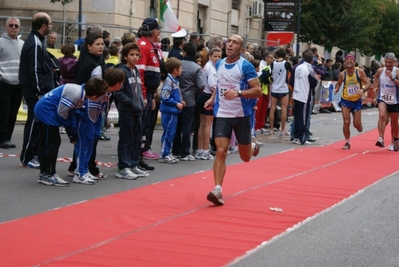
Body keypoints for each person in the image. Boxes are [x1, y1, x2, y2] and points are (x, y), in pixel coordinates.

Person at [204, 34, 262, 206]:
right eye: (228, 41)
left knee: (245, 157)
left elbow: (258, 91)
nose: (230, 44)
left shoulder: (246, 66)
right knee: (221, 150)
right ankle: (218, 189)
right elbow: (221, 85)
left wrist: (239, 93)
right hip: (222, 114)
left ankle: (251, 146)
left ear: (241, 50)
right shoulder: (219, 63)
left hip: (241, 115)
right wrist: (212, 98)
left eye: (235, 43)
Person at [34, 78, 110, 186]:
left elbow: (71, 114)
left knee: (48, 142)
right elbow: (62, 114)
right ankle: (48, 174)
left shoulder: (81, 93)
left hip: (48, 110)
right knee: (51, 142)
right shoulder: (76, 94)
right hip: (46, 112)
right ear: (94, 96)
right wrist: (70, 131)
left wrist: (72, 132)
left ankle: (46, 173)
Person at [72, 67, 124, 184]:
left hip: (92, 121)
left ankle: (85, 170)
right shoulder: (101, 93)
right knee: (83, 147)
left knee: (90, 146)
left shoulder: (107, 92)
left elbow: (99, 112)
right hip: (84, 121)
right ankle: (79, 173)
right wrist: (92, 129)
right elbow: (91, 112)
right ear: (117, 84)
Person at [19, 12, 54, 168]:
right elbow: (34, 69)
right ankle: (27, 156)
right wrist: (39, 90)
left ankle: (33, 153)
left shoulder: (38, 40)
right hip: (34, 91)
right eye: (50, 24)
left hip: (39, 89)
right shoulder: (34, 42)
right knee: (33, 121)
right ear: (44, 26)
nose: (51, 27)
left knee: (38, 122)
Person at [113, 43, 149, 179]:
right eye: (132, 55)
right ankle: (123, 166)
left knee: (136, 139)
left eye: (137, 55)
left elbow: (138, 89)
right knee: (126, 139)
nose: (135, 57)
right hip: (127, 110)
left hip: (138, 110)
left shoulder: (136, 71)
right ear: (125, 56)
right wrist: (131, 103)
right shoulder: (122, 71)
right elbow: (118, 92)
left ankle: (133, 164)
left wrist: (142, 100)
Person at [172, 42, 206, 161]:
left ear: (184, 52)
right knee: (187, 125)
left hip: (176, 98)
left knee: (177, 124)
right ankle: (185, 151)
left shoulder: (178, 64)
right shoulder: (197, 68)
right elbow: (202, 85)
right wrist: (194, 92)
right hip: (190, 99)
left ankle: (175, 149)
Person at [136, 18, 162, 163]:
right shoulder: (144, 46)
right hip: (145, 93)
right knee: (142, 125)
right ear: (153, 31)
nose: (159, 32)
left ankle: (142, 151)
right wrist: (145, 95)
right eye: (158, 30)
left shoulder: (149, 46)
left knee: (146, 124)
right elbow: (140, 73)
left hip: (149, 92)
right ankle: (140, 153)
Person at [334, 54, 370, 150]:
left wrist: (362, 90)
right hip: (345, 99)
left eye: (351, 59)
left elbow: (368, 83)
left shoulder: (359, 72)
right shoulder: (343, 74)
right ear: (345, 62)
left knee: (356, 124)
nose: (349, 61)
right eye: (347, 60)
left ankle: (359, 125)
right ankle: (347, 142)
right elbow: (339, 83)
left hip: (356, 100)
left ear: (354, 62)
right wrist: (337, 88)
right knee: (346, 122)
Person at [0, 17, 24, 149]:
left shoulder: (22, 44)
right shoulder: (1, 42)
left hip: (18, 84)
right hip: (4, 82)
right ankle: (2, 138)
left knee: (13, 112)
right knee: (4, 111)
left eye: (16, 26)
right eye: (11, 25)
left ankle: (7, 137)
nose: (14, 28)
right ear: (6, 27)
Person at [195, 47, 222, 160]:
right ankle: (205, 150)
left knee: (202, 124)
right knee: (207, 125)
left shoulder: (207, 67)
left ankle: (200, 149)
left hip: (202, 96)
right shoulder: (211, 68)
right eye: (215, 56)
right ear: (210, 56)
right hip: (208, 96)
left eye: (219, 57)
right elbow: (213, 85)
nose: (217, 58)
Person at [291, 49, 319, 145]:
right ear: (312, 60)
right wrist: (317, 79)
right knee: (303, 118)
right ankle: (301, 137)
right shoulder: (309, 69)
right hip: (304, 95)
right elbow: (313, 83)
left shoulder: (297, 67)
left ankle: (295, 136)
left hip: (297, 94)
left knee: (297, 117)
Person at [372, 52, 399, 150]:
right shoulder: (380, 70)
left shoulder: (397, 72)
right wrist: (375, 87)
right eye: (386, 62)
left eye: (390, 63)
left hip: (395, 100)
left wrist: (392, 78)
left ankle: (394, 140)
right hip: (383, 97)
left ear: (394, 62)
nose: (387, 64)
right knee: (382, 115)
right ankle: (381, 138)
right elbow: (375, 78)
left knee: (394, 123)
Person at [159, 58, 184, 163]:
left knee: (171, 132)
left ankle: (167, 152)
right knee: (168, 133)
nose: (182, 70)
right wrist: (176, 103)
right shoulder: (170, 81)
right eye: (180, 68)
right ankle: (164, 154)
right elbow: (164, 96)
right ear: (175, 70)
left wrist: (181, 101)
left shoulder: (173, 80)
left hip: (173, 111)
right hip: (169, 111)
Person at [268, 47, 292, 136]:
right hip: (283, 88)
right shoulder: (286, 64)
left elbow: (270, 75)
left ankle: (271, 129)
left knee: (272, 108)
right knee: (284, 109)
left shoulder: (272, 64)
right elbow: (291, 72)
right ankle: (282, 129)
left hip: (274, 88)